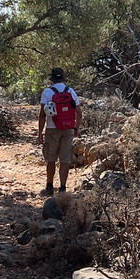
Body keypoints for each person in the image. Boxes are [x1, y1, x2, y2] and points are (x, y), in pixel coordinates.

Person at [36, 67, 82, 196]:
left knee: (51, 159)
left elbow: (42, 115)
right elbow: (79, 113)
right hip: (68, 129)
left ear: (52, 79)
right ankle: (62, 189)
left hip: (52, 129)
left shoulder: (47, 92)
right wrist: (76, 128)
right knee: (65, 160)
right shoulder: (70, 91)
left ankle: (49, 187)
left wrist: (40, 133)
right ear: (62, 78)